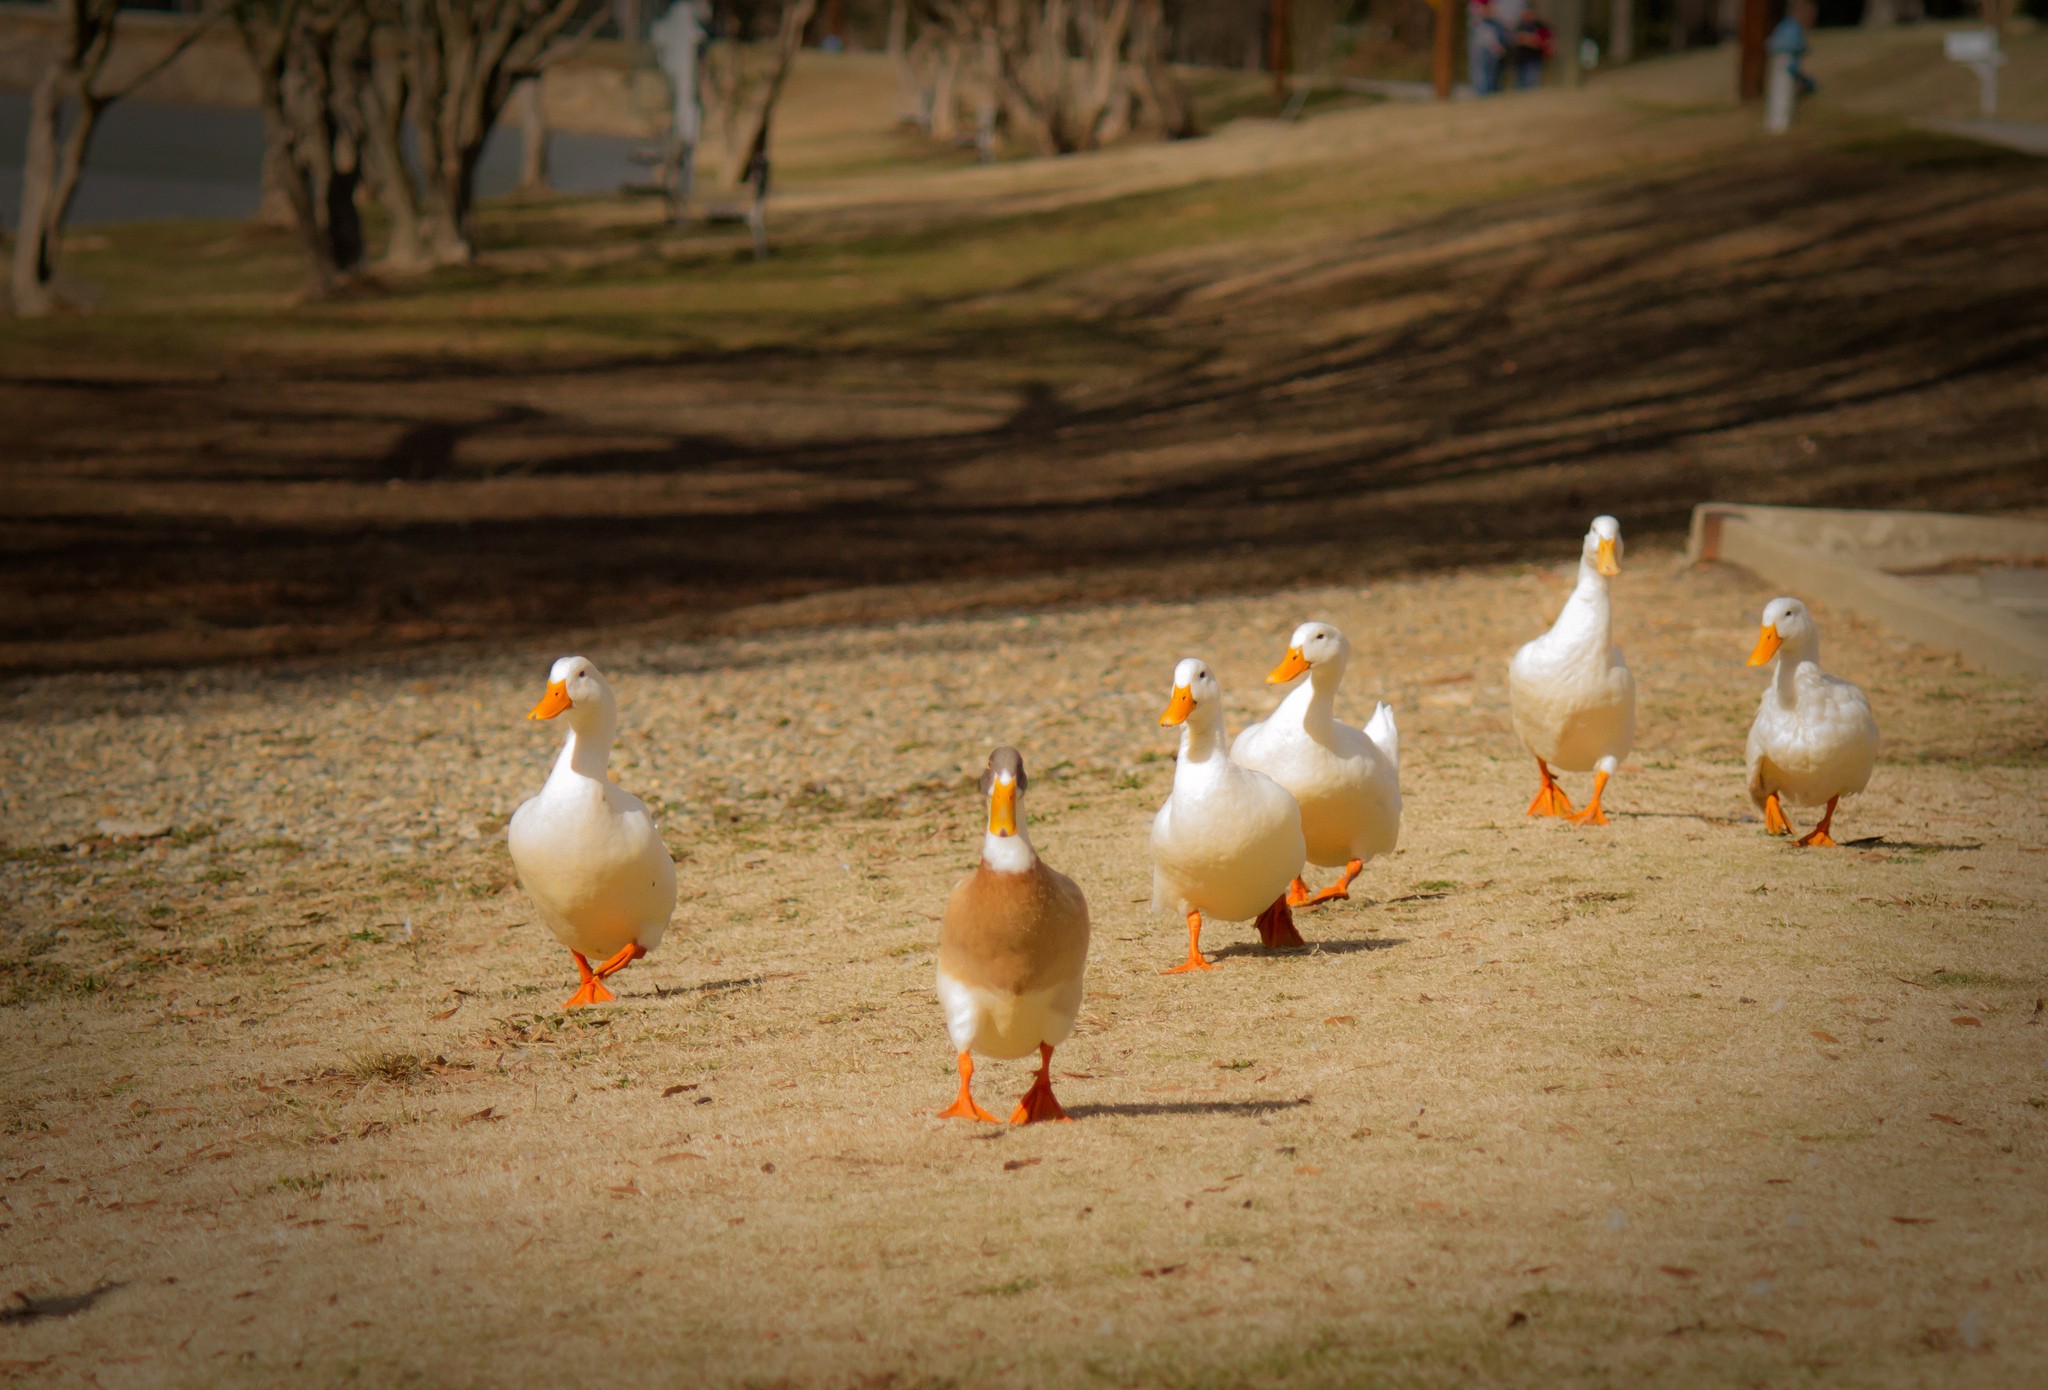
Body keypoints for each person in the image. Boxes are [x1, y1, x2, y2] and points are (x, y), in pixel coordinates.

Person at [1767, 0, 1818, 98]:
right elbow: (1791, 47)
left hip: (1783, 64)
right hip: (1788, 65)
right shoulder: (1793, 28)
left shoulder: (1785, 25)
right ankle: (1802, 86)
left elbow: (1771, 43)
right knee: (1785, 90)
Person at [1468, 0, 1508, 95]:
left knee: (1491, 74)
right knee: (1482, 74)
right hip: (1482, 47)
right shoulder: (1479, 19)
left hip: (1489, 48)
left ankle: (1489, 93)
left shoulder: (1493, 22)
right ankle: (1482, 94)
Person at [1511, 5, 1553, 88]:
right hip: (1520, 59)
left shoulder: (1539, 25)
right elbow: (1516, 39)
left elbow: (1544, 40)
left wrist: (1529, 39)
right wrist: (1531, 39)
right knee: (1520, 85)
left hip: (1534, 59)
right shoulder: (1519, 25)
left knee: (1532, 84)